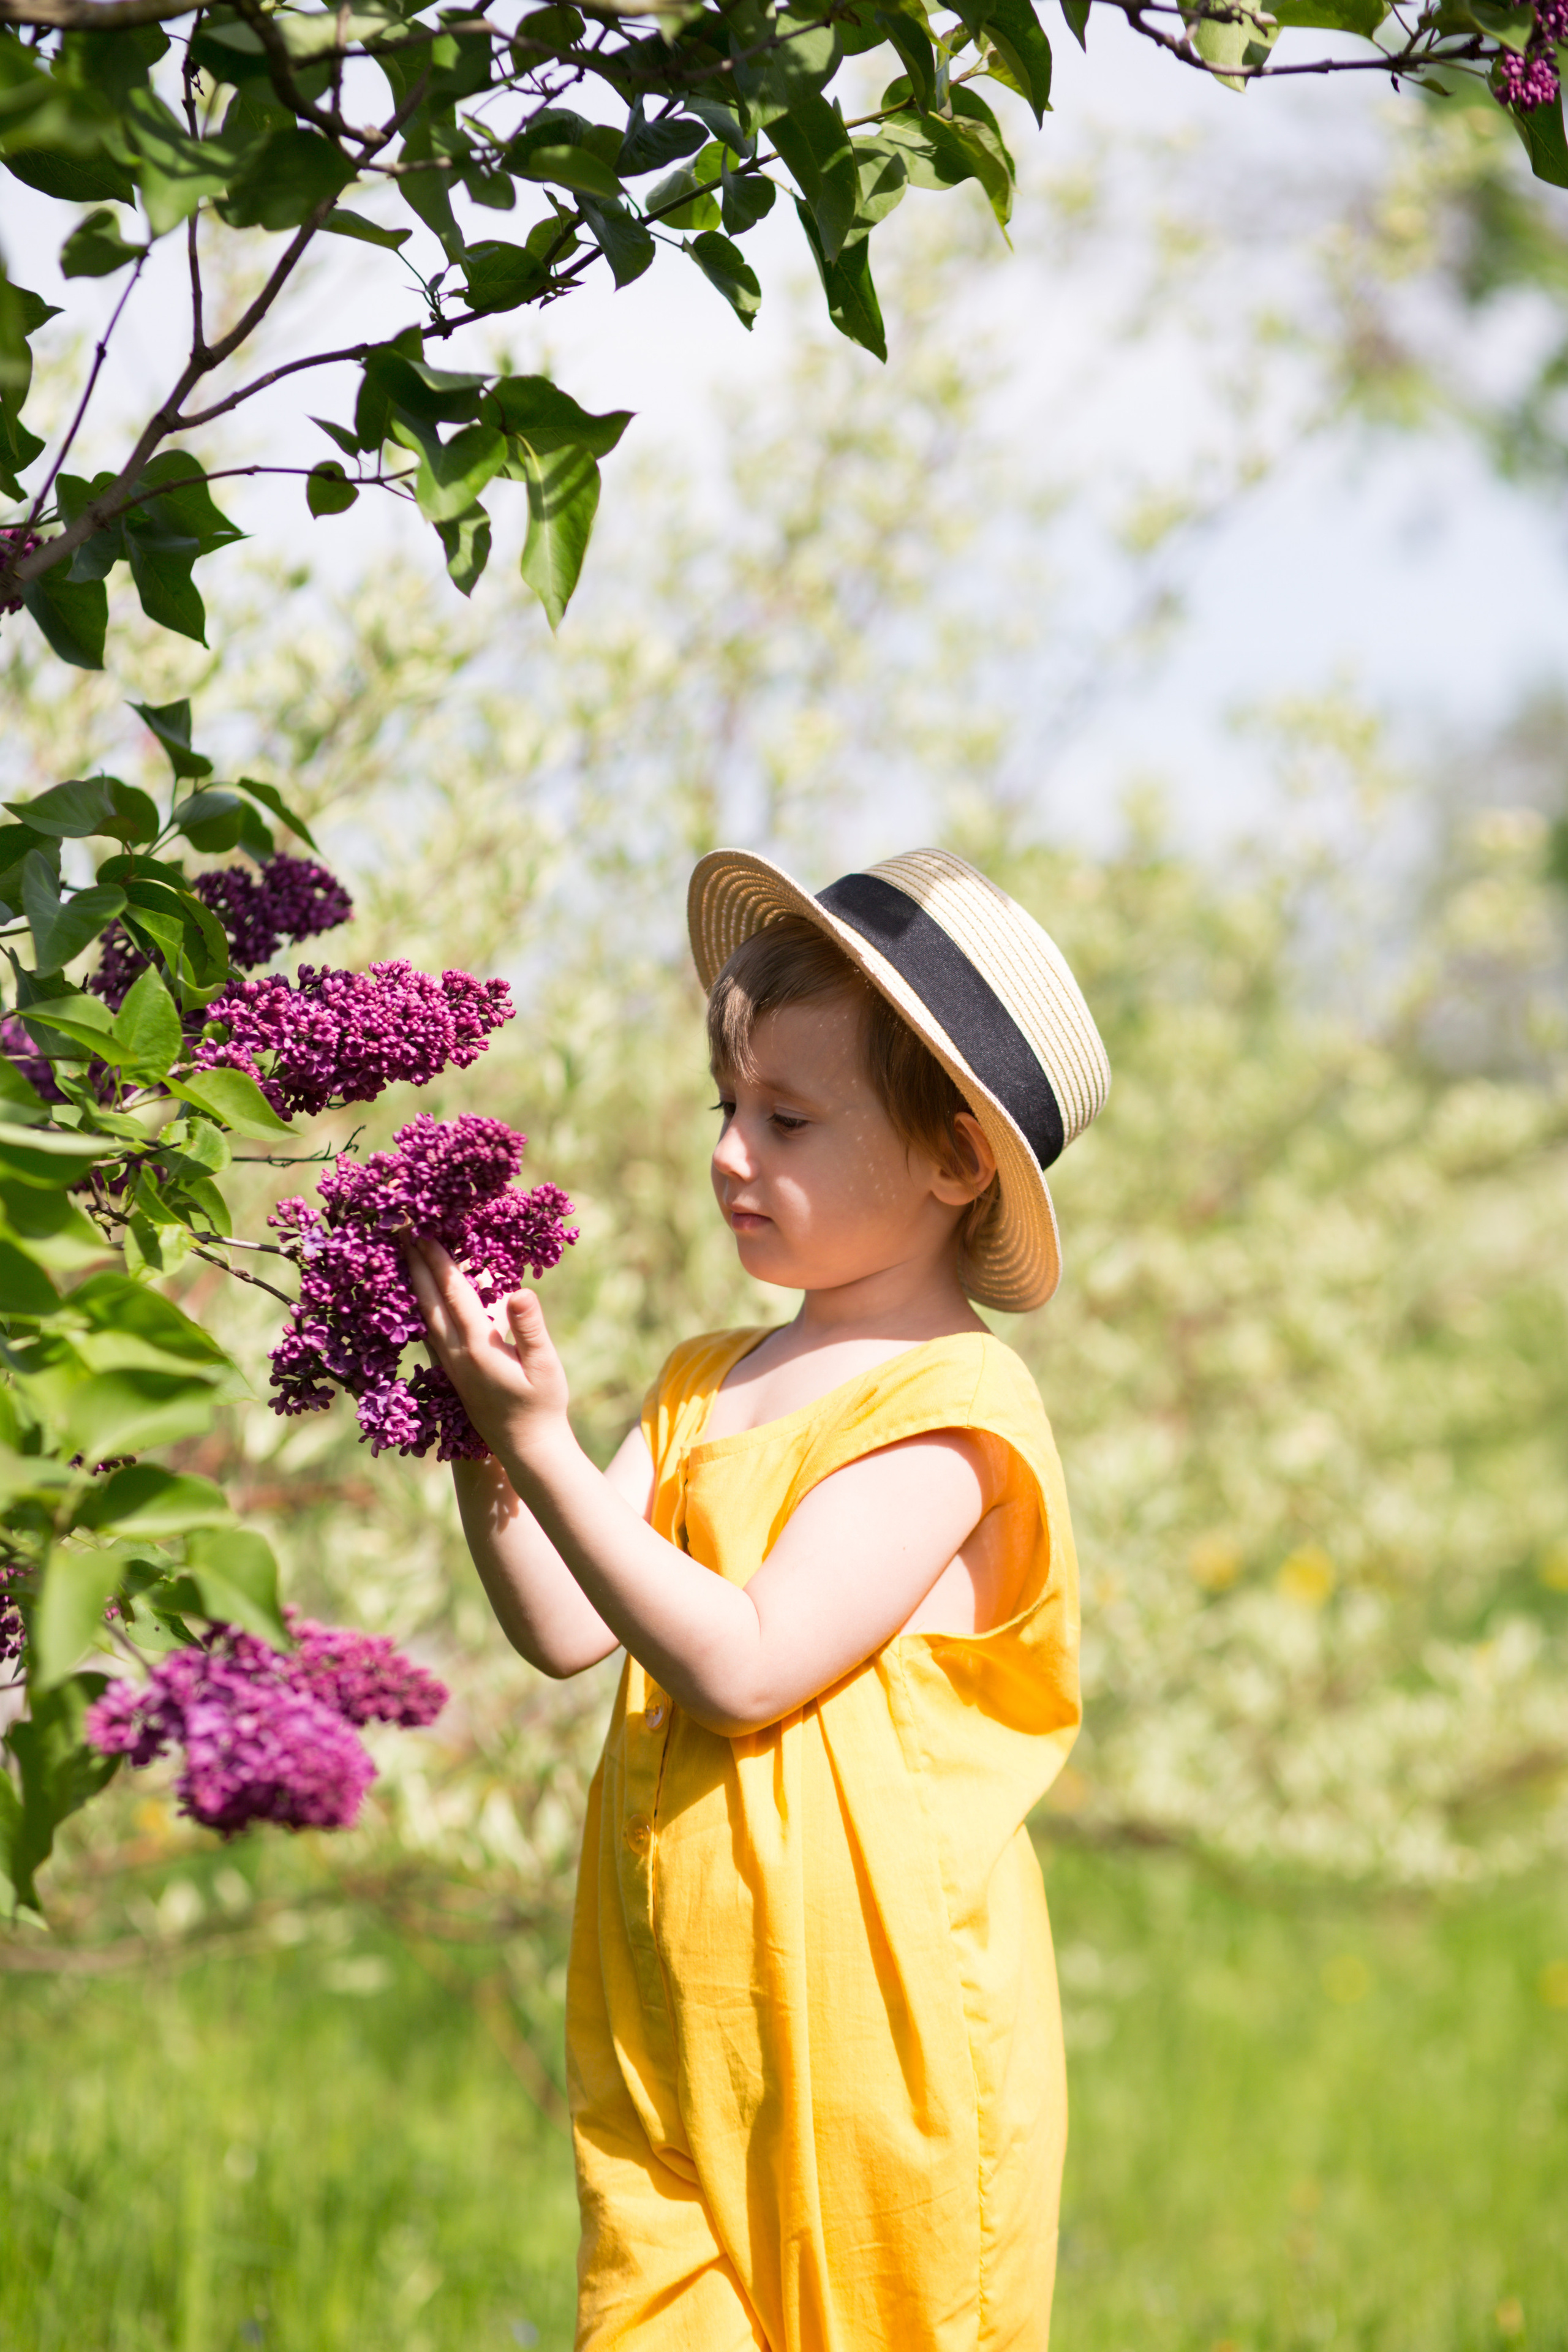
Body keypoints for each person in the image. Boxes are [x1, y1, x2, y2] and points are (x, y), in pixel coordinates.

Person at [405, 846, 1112, 2352]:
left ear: (952, 1162)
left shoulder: (948, 1408)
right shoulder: (702, 1384)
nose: (733, 1153)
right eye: (729, 1108)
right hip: (673, 2020)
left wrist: (542, 1443)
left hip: (875, 2043)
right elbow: (565, 1622)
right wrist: (485, 1444)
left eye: (788, 1120)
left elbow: (743, 1664)